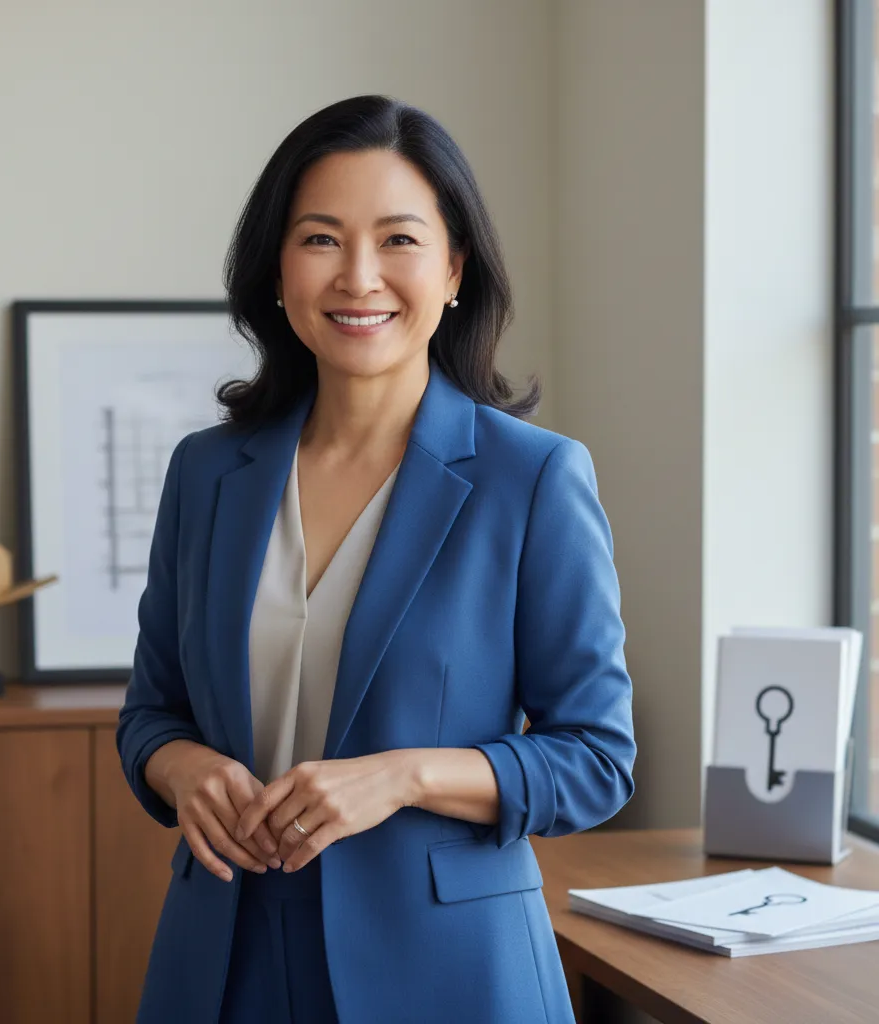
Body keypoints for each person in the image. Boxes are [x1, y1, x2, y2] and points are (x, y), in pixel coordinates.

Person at [116, 93, 636, 1024]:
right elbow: (152, 713)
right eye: (320, 239)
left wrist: (401, 775)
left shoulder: (536, 478)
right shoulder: (207, 472)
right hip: (220, 959)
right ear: (277, 271)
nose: (359, 277)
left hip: (446, 974)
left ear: (454, 270)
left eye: (398, 240)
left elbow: (595, 759)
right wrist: (182, 769)